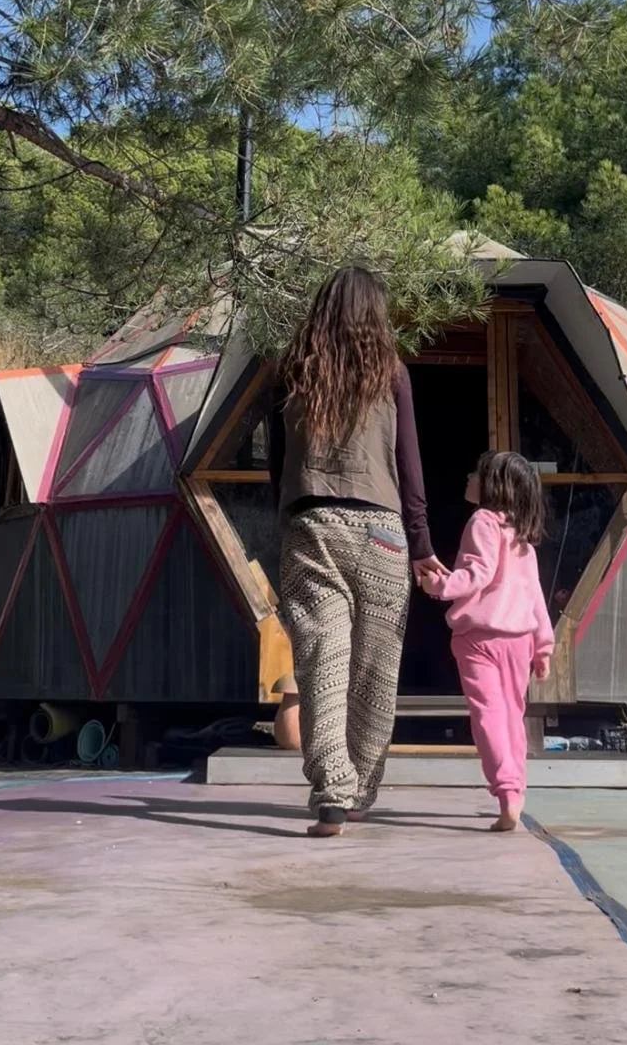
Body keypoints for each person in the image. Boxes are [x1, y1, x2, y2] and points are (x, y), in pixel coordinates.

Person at [268, 265, 445, 837]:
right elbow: (411, 465)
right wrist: (420, 544)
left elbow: (276, 461)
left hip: (311, 522)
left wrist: (288, 512)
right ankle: (360, 788)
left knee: (322, 663)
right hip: (383, 531)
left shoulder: (294, 367)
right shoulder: (391, 372)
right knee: (374, 672)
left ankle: (332, 794)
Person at [421, 450, 553, 832]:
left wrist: (438, 586)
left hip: (479, 639)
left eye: (476, 474)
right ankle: (517, 790)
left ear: (493, 484)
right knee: (512, 717)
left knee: (488, 717)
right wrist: (543, 645)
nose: (469, 478)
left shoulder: (482, 521)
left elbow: (476, 573)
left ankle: (507, 792)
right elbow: (535, 594)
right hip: (521, 640)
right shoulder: (521, 535)